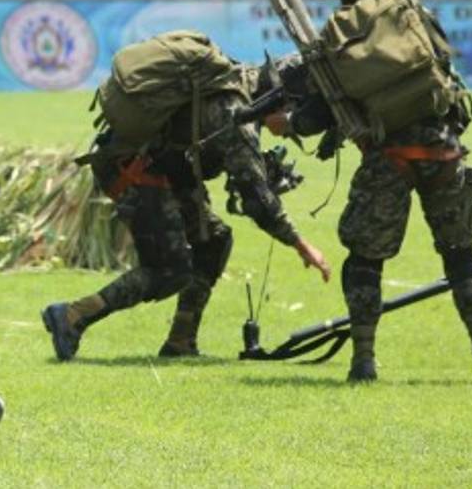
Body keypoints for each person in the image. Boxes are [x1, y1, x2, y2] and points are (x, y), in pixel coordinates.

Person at [269, 0, 472, 384]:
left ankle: (363, 361)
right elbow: (446, 74)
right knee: (461, 255)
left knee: (366, 259)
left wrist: (288, 125)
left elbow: (323, 108)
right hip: (442, 151)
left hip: (387, 156)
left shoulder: (340, 30)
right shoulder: (415, 13)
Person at [42, 34, 331, 361]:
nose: (292, 125)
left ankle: (181, 340)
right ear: (282, 101)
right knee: (169, 269)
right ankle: (72, 315)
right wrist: (300, 244)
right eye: (294, 113)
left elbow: (216, 151)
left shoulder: (235, 83)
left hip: (162, 171)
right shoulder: (237, 114)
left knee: (214, 240)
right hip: (137, 172)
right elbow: (256, 199)